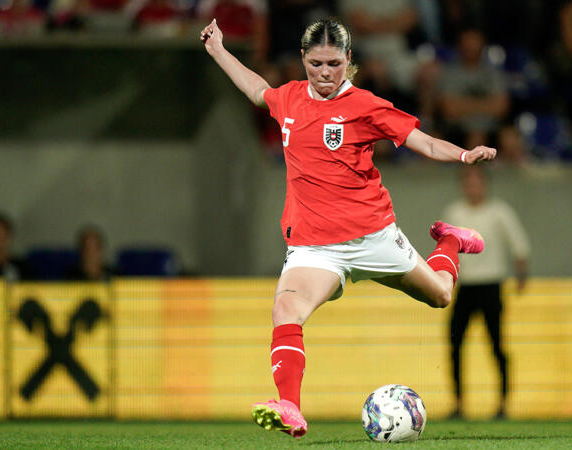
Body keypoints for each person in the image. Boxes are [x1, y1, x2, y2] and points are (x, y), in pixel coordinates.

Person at [200, 17, 496, 438]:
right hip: (314, 248)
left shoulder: (366, 105)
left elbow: (424, 142)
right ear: (303, 59)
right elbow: (255, 89)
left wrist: (465, 155)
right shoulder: (288, 99)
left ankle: (449, 239)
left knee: (442, 296)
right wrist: (218, 51)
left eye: (334, 64)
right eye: (316, 63)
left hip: (373, 236)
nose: (324, 73)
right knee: (286, 309)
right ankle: (290, 406)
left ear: (348, 60)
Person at [442, 166, 529, 419]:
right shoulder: (454, 212)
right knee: (455, 345)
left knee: (497, 346)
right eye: (468, 182)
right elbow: (445, 250)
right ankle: (458, 404)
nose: (473, 187)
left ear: (485, 184)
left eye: (477, 182)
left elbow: (519, 246)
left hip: (491, 285)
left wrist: (521, 275)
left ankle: (503, 404)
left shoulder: (499, 212)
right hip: (465, 287)